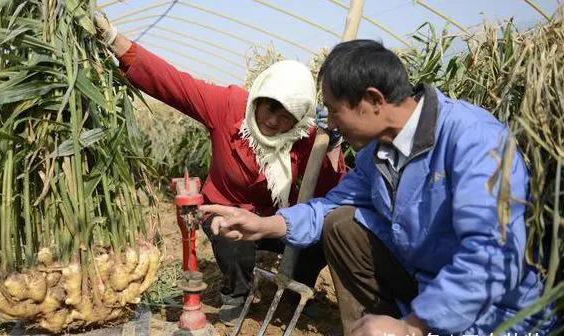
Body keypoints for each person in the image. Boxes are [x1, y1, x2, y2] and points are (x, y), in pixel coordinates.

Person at [200, 40, 556, 335]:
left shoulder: (474, 140)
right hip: (424, 286)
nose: (331, 125)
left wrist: (413, 327)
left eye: (335, 111)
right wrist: (264, 225)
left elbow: (492, 255)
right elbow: (328, 206)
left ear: (372, 100)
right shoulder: (377, 153)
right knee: (340, 222)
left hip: (495, 312)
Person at [94, 16, 346, 325]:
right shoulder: (228, 106)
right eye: (269, 108)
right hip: (226, 209)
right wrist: (117, 42)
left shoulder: (307, 138)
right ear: (259, 97)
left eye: (286, 117)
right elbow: (174, 84)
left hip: (275, 220)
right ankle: (237, 292)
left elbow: (328, 194)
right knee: (231, 235)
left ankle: (297, 290)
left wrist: (332, 143)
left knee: (322, 232)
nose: (272, 122)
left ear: (298, 120)